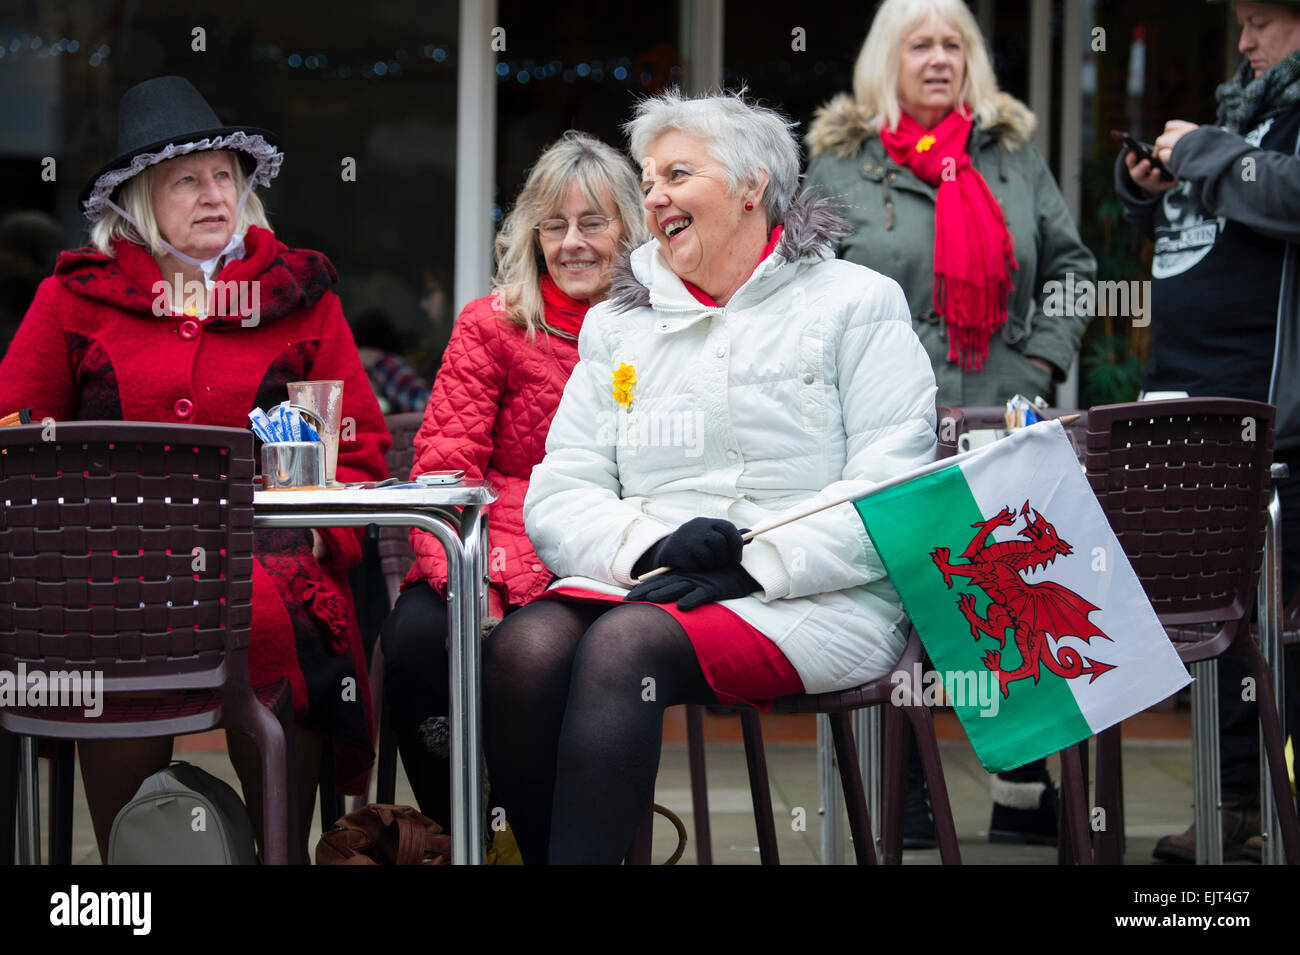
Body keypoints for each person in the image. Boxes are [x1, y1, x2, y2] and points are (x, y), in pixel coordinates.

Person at [480, 90, 938, 864]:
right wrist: (651, 546)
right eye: (649, 178)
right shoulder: (620, 323)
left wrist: (754, 558)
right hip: (656, 583)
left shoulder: (857, 302)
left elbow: (891, 488)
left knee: (623, 647)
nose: (653, 196)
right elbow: (563, 490)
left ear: (752, 186)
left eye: (677, 174)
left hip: (822, 595)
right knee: (523, 652)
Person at [0, 76, 390, 863]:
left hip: (265, 565)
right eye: (187, 179)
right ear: (139, 197)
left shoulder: (301, 294)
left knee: (279, 626)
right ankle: (131, 875)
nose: (215, 194)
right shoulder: (76, 296)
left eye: (225, 176)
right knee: (106, 629)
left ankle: (276, 851)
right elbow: (10, 432)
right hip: (112, 569)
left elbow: (360, 450)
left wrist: (325, 537)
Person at [802, 0, 1098, 847]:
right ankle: (907, 791)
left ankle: (1021, 795)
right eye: (920, 44)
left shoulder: (1009, 156)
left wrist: (1040, 363)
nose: (939, 59)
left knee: (1009, 591)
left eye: (954, 45)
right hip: (889, 418)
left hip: (1004, 410)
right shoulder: (840, 163)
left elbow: (1074, 268)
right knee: (900, 596)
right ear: (885, 60)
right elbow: (805, 289)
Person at [378, 131, 647, 829]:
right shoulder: (493, 326)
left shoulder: (659, 331)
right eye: (553, 226)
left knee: (542, 662)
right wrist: (473, 580)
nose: (573, 243)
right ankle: (462, 833)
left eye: (594, 221)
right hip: (480, 551)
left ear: (631, 227)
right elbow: (443, 471)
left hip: (601, 560)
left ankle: (537, 839)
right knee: (414, 645)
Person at [1116, 0, 1300, 863]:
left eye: (1262, 20)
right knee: (1211, 625)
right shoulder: (1244, 115)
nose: (1244, 40)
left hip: (1275, 423)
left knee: (1265, 626)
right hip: (1187, 408)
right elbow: (1206, 235)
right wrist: (1150, 182)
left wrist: (1206, 153)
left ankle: (1260, 804)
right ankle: (1227, 805)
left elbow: (1290, 197)